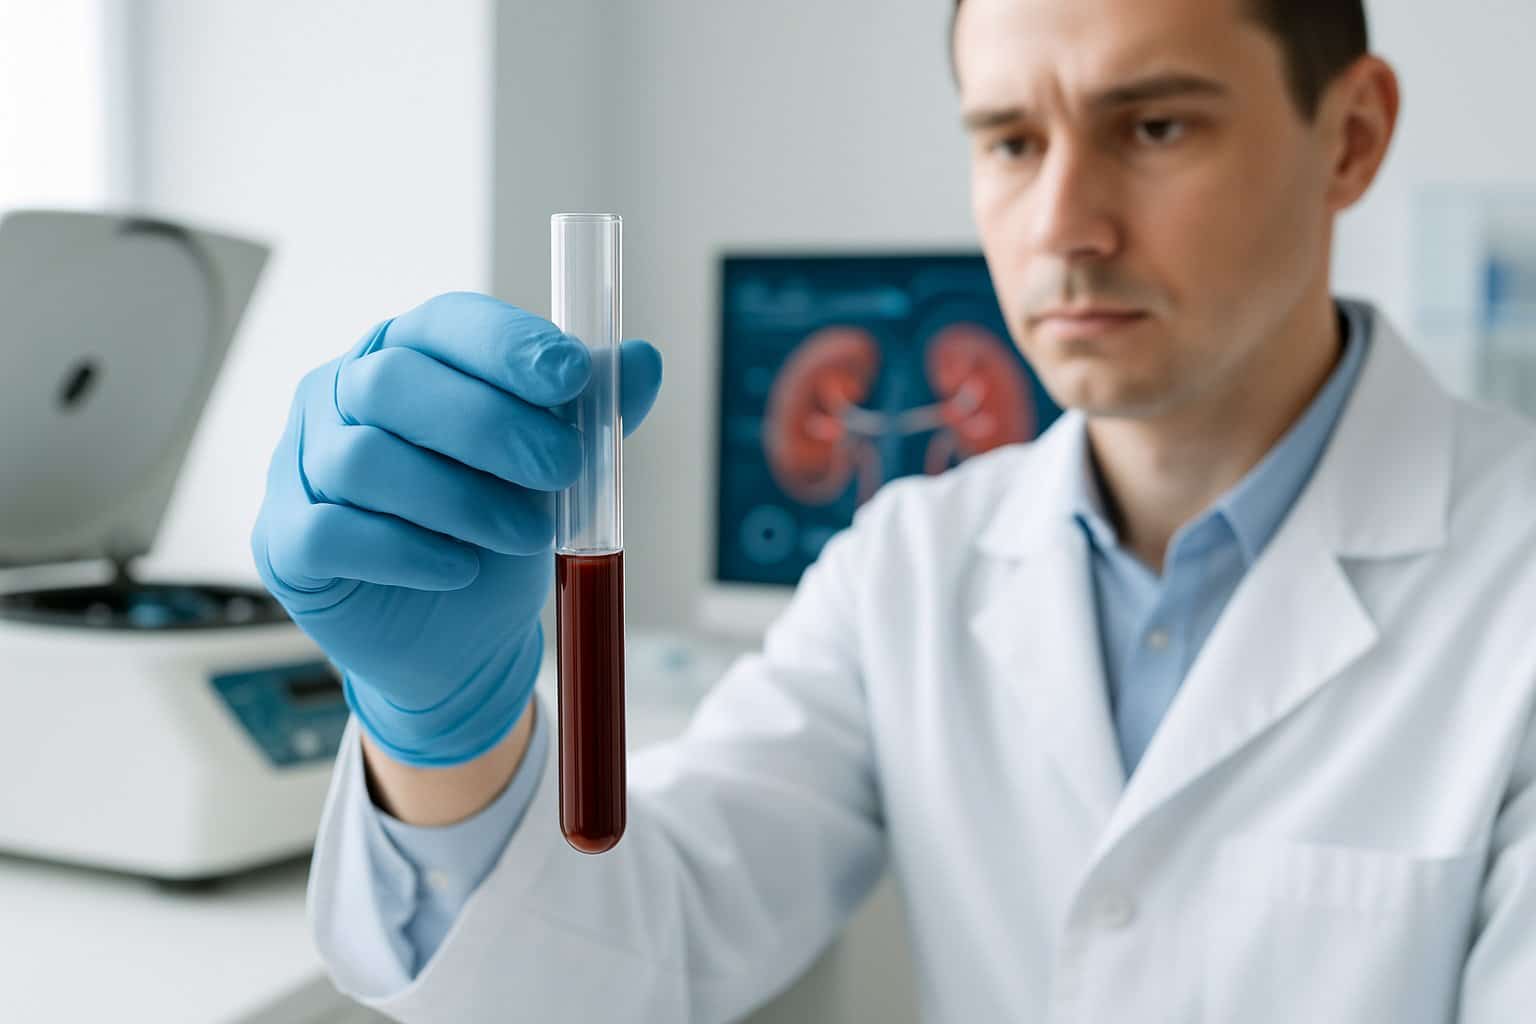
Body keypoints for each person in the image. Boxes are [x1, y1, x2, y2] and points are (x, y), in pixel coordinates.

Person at [252, 0, 1536, 1019]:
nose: (1065, 225)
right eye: (1011, 141)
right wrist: (440, 737)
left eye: (1154, 128)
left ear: (1352, 137)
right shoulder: (911, 567)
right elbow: (618, 968)